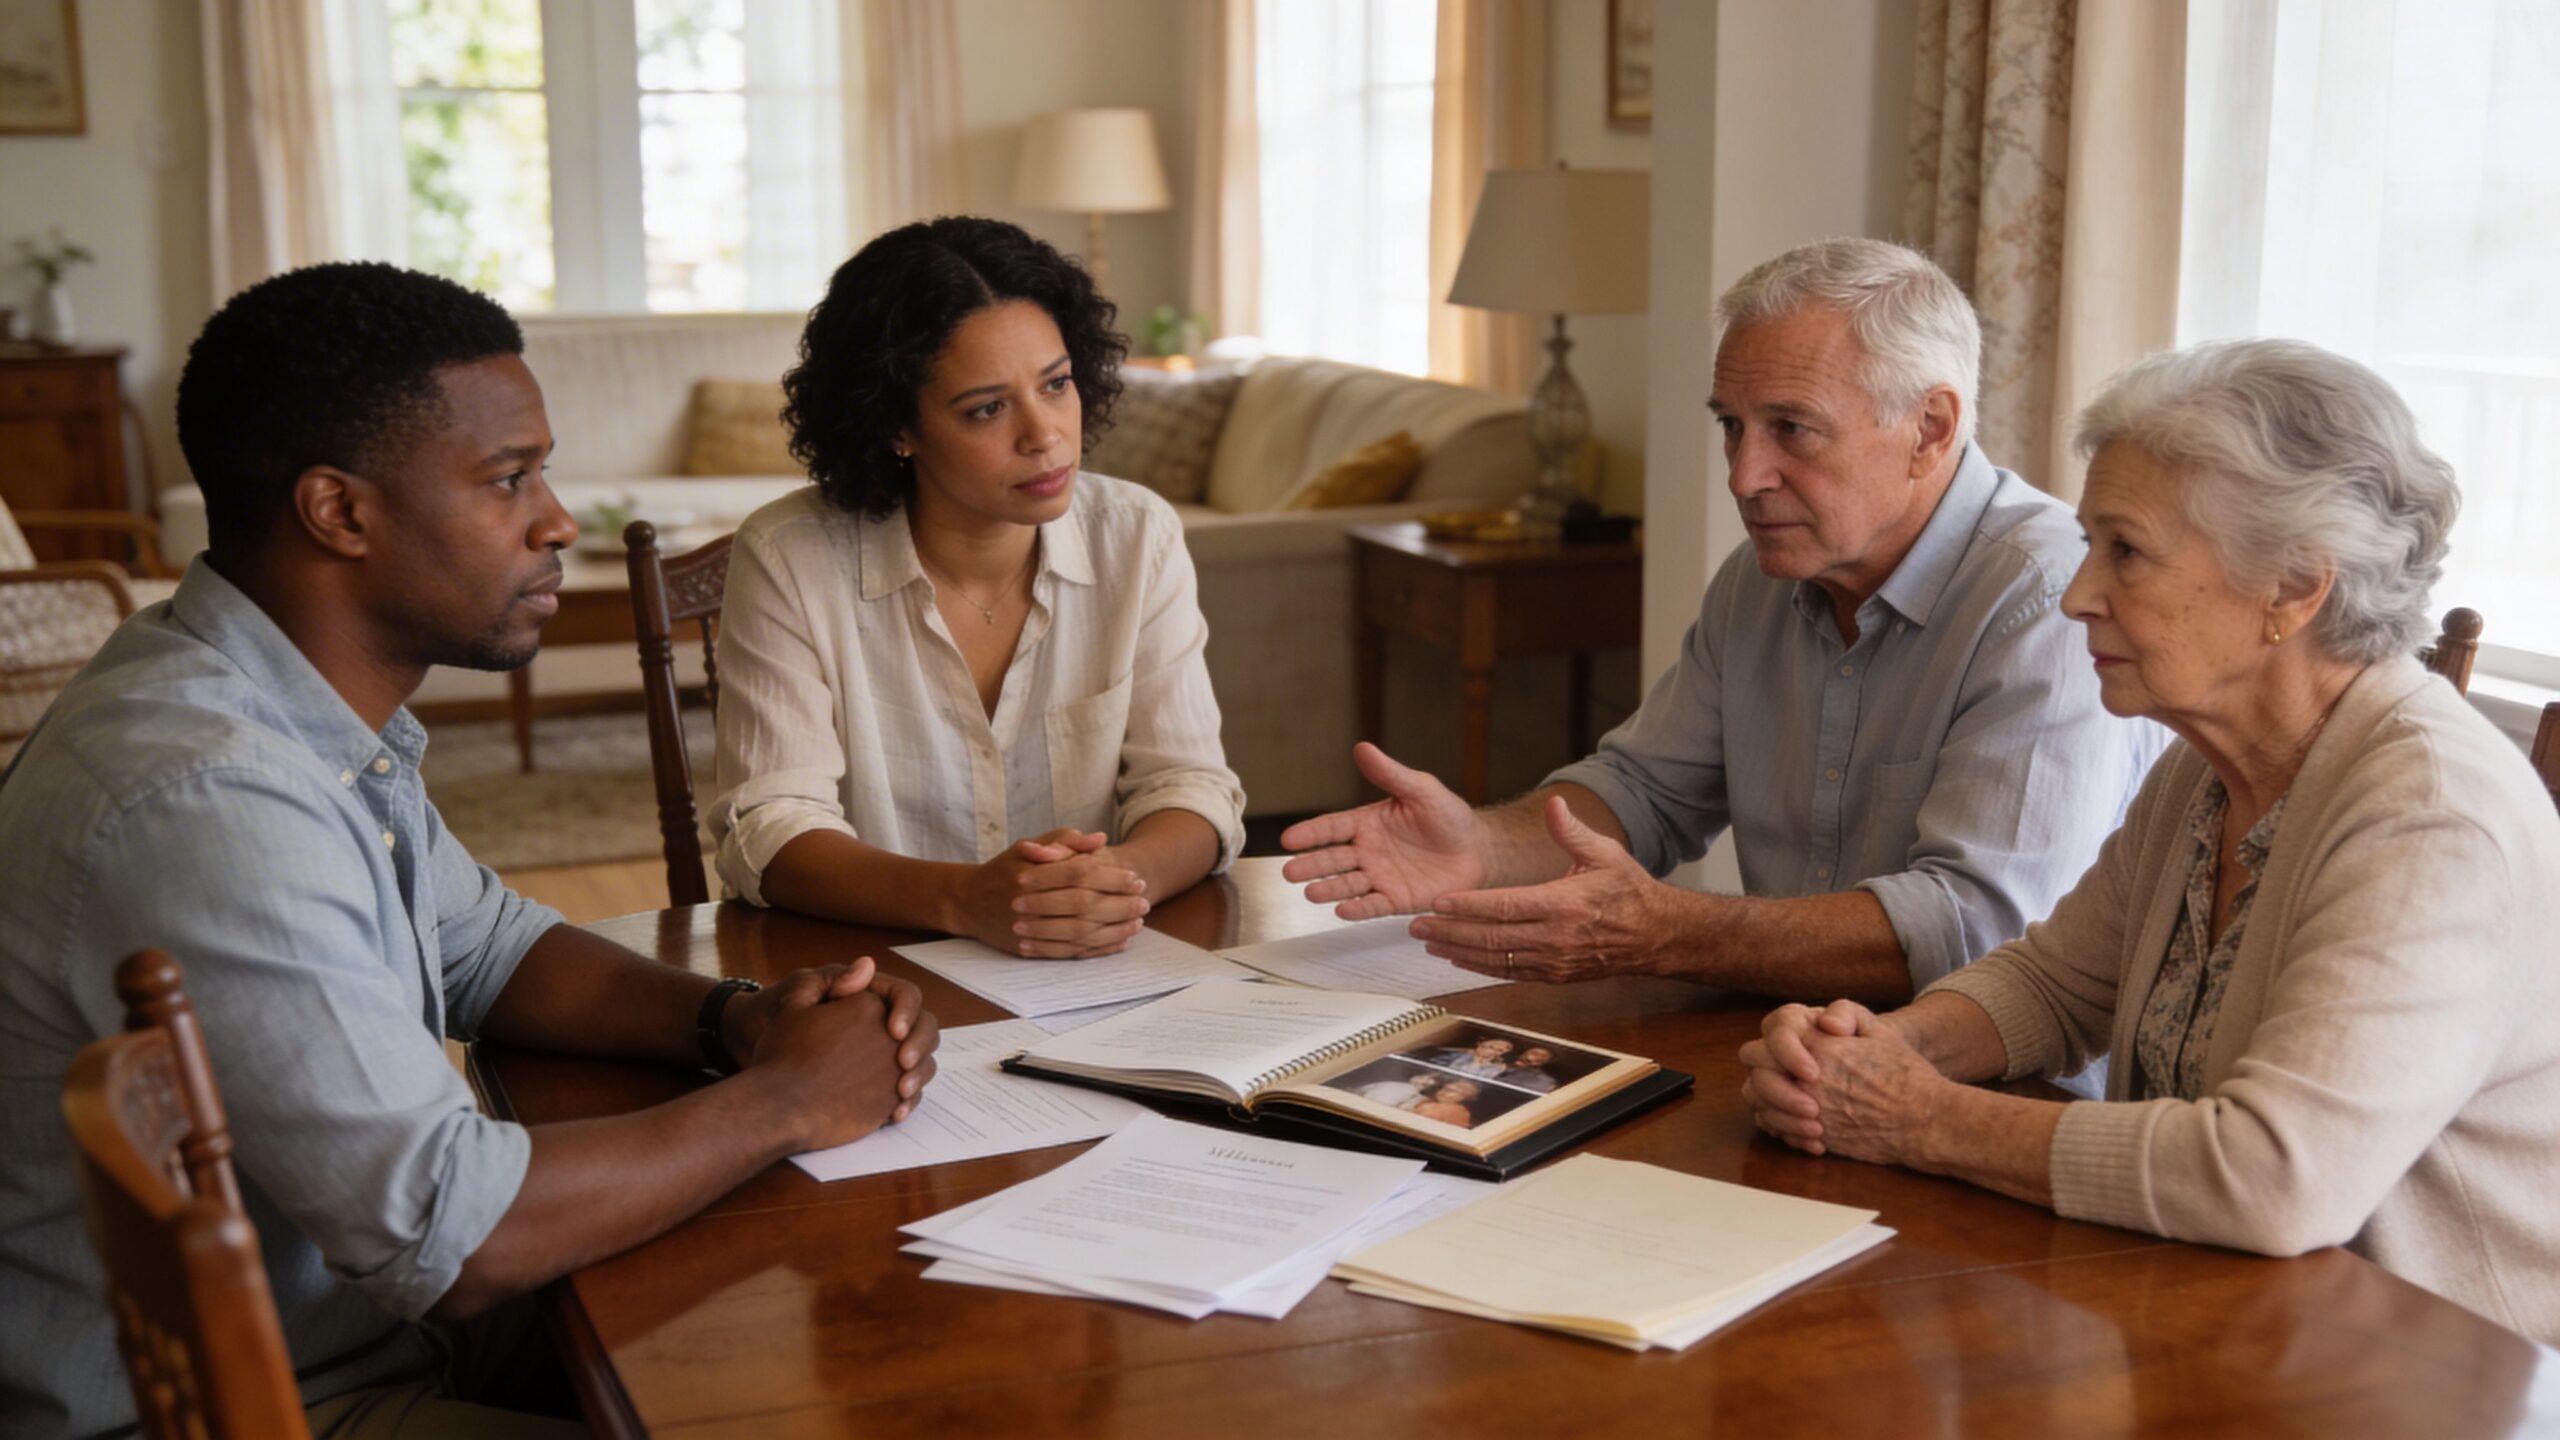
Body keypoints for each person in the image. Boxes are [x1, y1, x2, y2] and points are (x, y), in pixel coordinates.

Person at [0, 263, 943, 1439]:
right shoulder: (208, 796)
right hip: (274, 1404)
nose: (557, 520)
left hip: (349, 1331)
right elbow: (456, 1237)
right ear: (339, 511)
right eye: (510, 480)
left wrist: (737, 1022)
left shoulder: (268, 698)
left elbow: (490, 947)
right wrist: (783, 1102)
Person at [1739, 340, 2560, 1344]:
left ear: (2293, 588)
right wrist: (1867, 1053)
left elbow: (2269, 1179)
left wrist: (1918, 1117)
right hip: (2221, 1327)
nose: (2078, 593)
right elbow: (2052, 984)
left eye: (2122, 551)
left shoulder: (2430, 816)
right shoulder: (2207, 765)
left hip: (2428, 1373)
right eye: (2087, 545)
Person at [1283, 239, 2161, 1011]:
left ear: (1930, 428)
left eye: (1791, 429)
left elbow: (1977, 928)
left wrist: (1668, 932)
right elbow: (1641, 794)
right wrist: (1482, 843)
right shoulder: (1763, 577)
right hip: (1786, 1051)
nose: (1745, 475)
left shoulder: (2048, 596)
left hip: (1987, 1096)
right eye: (1732, 426)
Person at [708, 216, 1246, 959]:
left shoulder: (1137, 534)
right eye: (987, 408)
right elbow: (772, 827)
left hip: (1099, 969)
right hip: (871, 974)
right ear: (898, 426)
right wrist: (968, 900)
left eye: (1056, 384)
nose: (1045, 434)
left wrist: (1110, 883)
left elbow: (1190, 786)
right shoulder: (789, 556)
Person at [1418, 1036, 1516, 1079]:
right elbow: (1430, 1067)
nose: (1493, 1051)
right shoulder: (1454, 1054)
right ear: (1480, 1043)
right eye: (1491, 1046)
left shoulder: (1499, 1068)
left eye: (1500, 1050)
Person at [1411, 1079, 1482, 1128]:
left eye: (1452, 1091)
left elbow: (1415, 1122)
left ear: (1465, 1097)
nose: (1445, 1092)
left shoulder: (1454, 1111)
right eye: (1445, 1088)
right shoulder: (1430, 1102)